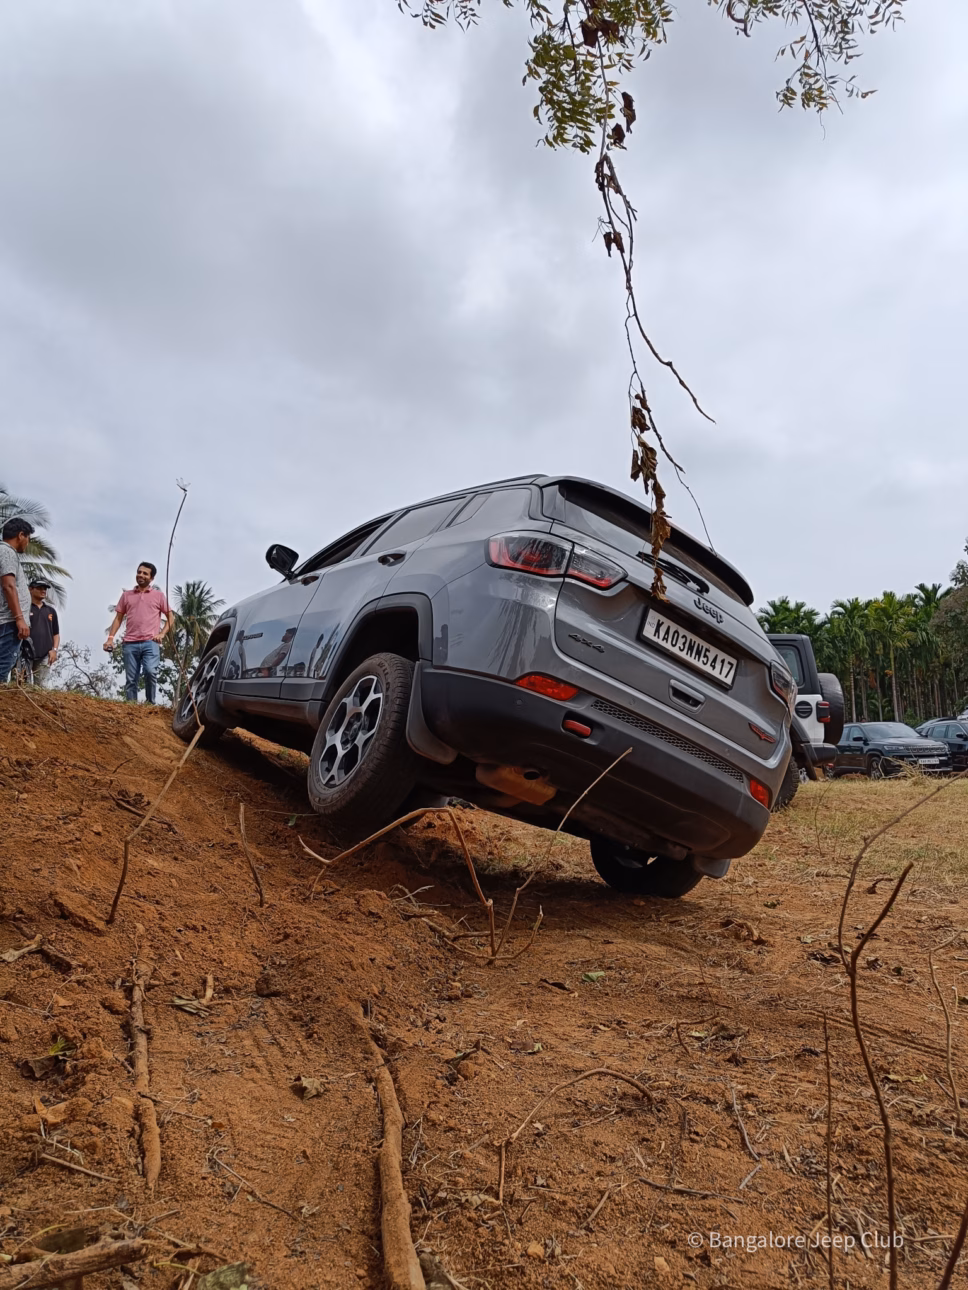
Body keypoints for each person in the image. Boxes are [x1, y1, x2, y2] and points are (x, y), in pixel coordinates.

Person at [103, 562, 172, 704]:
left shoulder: (158, 596)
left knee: (150, 672)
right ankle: (131, 708)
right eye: (139, 572)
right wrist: (110, 638)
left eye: (145, 573)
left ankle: (150, 704)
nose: (141, 575)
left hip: (150, 642)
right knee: (131, 679)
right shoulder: (126, 596)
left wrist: (162, 634)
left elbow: (171, 617)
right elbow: (118, 618)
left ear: (151, 578)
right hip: (130, 643)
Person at [0, 517, 34, 683]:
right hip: (8, 621)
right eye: (28, 538)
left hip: (6, 621)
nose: (27, 543)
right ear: (21, 535)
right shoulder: (7, 552)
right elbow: (9, 586)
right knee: (2, 669)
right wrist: (19, 619)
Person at [27, 580, 60, 687]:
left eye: (45, 589)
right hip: (24, 653)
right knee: (21, 686)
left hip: (45, 655)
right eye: (40, 588)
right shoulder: (24, 608)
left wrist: (54, 650)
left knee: (41, 687)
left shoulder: (50, 611)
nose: (43, 591)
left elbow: (56, 633)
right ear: (30, 589)